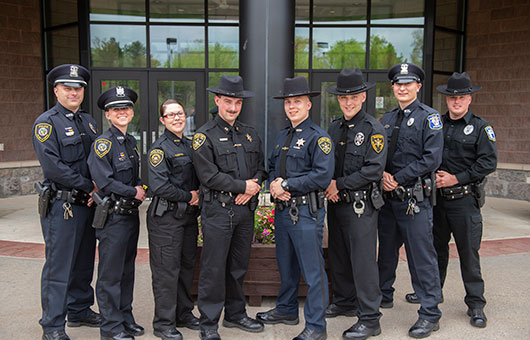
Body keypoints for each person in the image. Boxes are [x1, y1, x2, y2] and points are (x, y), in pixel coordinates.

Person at [404, 72, 497, 328]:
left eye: (462, 97)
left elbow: (488, 162)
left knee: (469, 254)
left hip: (464, 202)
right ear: (446, 100)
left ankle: (476, 304)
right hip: (437, 201)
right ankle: (434, 294)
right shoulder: (435, 123)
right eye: (452, 98)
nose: (456, 102)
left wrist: (457, 178)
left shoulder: (480, 127)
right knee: (435, 253)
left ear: (470, 99)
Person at [256, 76, 334, 340]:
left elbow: (322, 176)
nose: (292, 107)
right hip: (283, 212)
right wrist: (272, 184)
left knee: (313, 272)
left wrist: (286, 183)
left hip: (305, 213)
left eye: (297, 102)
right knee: (286, 266)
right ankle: (287, 309)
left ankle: (316, 326)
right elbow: (270, 168)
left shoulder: (318, 138)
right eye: (288, 102)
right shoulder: (282, 136)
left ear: (308, 104)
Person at [191, 75, 266, 340]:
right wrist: (241, 187)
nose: (232, 108)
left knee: (238, 266)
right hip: (218, 212)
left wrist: (253, 186)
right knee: (213, 269)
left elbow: (260, 167)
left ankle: (236, 314)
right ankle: (209, 322)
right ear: (217, 101)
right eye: (227, 102)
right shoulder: (203, 136)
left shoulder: (249, 133)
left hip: (245, 211)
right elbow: (208, 176)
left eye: (237, 102)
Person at [32, 64, 101, 340]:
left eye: (78, 88)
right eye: (68, 88)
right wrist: (89, 185)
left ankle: (80, 308)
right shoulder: (46, 123)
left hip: (88, 204)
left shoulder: (89, 122)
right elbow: (54, 168)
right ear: (56, 90)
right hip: (63, 206)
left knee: (84, 261)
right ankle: (52, 325)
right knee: (59, 266)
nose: (74, 93)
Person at [377, 63, 444, 339]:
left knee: (421, 258)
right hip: (388, 198)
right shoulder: (386, 119)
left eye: (408, 83)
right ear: (392, 87)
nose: (402, 88)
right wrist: (381, 175)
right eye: (398, 84)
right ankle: (383, 295)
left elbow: (432, 158)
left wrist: (398, 178)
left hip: (413, 199)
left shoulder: (431, 118)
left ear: (418, 86)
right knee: (386, 254)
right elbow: (379, 153)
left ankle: (430, 313)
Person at [324, 68, 386, 340]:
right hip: (336, 203)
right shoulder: (334, 126)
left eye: (353, 97)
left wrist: (340, 184)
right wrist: (329, 185)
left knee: (363, 263)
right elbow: (327, 164)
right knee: (338, 256)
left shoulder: (373, 129)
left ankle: (370, 318)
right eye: (343, 98)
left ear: (363, 96)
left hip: (360, 206)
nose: (348, 102)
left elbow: (373, 170)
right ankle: (345, 301)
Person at [88, 86, 146, 340]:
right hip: (112, 218)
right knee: (110, 275)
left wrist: (142, 187)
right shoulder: (102, 144)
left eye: (125, 108)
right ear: (108, 115)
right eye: (116, 109)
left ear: (132, 113)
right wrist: (134, 192)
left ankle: (125, 318)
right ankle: (110, 328)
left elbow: (136, 178)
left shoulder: (130, 141)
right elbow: (105, 181)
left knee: (127, 271)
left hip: (130, 217)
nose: (122, 112)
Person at [147, 99, 201, 340]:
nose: (177, 118)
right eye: (171, 115)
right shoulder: (159, 149)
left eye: (180, 113)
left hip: (187, 218)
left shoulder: (190, 145)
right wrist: (189, 196)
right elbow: (159, 186)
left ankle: (184, 313)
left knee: (187, 267)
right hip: (166, 219)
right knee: (166, 272)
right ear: (163, 120)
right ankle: (163, 323)